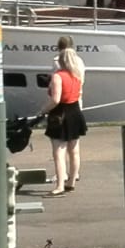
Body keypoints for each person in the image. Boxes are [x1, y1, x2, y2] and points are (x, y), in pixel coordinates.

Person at [39, 35, 88, 195]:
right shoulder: (77, 75)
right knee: (74, 150)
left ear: (60, 60)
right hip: (75, 111)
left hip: (61, 113)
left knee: (59, 151)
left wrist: (42, 110)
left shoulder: (58, 76)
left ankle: (60, 184)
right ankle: (71, 181)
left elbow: (56, 99)